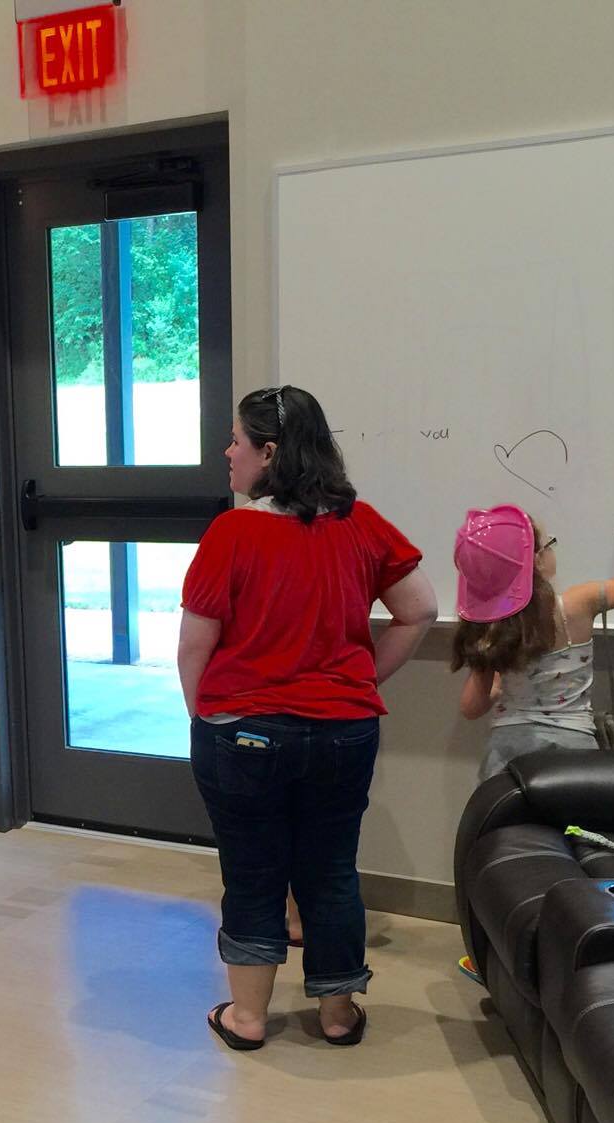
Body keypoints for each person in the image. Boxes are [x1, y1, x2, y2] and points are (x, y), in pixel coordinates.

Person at [179, 386, 440, 1051]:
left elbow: (194, 645)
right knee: (331, 872)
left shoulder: (232, 531)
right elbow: (421, 611)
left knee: (252, 871)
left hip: (243, 731)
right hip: (343, 732)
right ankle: (336, 1015)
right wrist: (359, 681)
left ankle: (247, 1020)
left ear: (268, 452)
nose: (227, 452)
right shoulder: (363, 523)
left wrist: (204, 717)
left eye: (236, 440)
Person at [450, 507, 614, 781]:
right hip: (572, 753)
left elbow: (471, 707)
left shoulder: (488, 626)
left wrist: (499, 685)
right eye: (550, 544)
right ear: (536, 560)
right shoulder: (576, 605)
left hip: (506, 756)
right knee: (573, 824)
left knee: (510, 822)